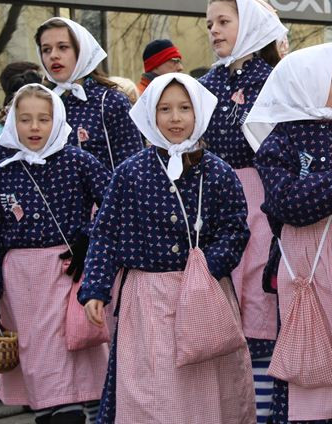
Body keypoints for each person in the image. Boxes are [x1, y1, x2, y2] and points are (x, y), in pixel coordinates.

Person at [79, 73, 254, 423]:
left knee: (208, 390)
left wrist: (205, 270)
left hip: (206, 294)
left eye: (184, 108)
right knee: (155, 392)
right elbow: (106, 234)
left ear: (199, 112)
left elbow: (235, 229)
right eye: (165, 109)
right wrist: (95, 288)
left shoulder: (217, 172)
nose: (175, 118)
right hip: (149, 300)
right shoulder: (131, 173)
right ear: (150, 115)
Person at [247, 41, 332, 423]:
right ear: (303, 83)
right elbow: (289, 201)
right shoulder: (279, 142)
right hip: (306, 257)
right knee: (316, 340)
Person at [0, 84, 111, 424]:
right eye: (25, 119)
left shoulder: (79, 161)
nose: (34, 127)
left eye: (43, 119)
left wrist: (89, 240)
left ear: (57, 120)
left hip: (66, 272)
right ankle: (54, 413)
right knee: (38, 361)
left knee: (68, 357)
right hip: (20, 284)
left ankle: (71, 414)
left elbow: (114, 206)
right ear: (13, 122)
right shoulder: (1, 173)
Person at [200, 0, 287, 423]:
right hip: (216, 198)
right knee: (224, 294)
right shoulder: (205, 85)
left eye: (224, 21)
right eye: (210, 23)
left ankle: (265, 410)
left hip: (262, 195)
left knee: (259, 295)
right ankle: (231, 408)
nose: (214, 30)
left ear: (249, 24)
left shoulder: (275, 77)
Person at [36, 18, 143, 171]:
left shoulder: (110, 101)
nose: (53, 55)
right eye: (46, 49)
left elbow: (133, 167)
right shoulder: (40, 103)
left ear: (81, 51)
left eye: (63, 47)